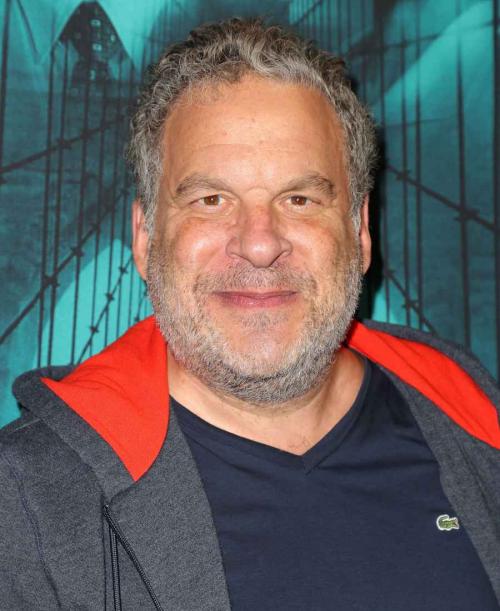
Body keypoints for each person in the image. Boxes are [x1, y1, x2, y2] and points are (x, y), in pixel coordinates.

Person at [1, 17, 499, 611]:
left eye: (300, 199)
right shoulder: (24, 502)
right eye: (211, 200)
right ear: (144, 237)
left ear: (360, 231)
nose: (260, 244)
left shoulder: (477, 422)